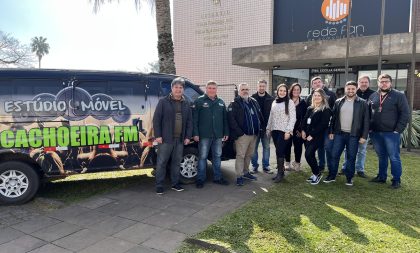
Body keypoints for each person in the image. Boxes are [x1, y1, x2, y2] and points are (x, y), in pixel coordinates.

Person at [152, 77, 192, 194]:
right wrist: (158, 135)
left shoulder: (186, 103)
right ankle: (159, 185)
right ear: (172, 88)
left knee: (176, 162)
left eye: (180, 87)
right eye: (176, 87)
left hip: (180, 139)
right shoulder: (163, 101)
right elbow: (156, 120)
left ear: (183, 89)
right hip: (165, 139)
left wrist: (187, 137)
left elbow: (189, 121)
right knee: (162, 162)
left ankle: (175, 184)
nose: (178, 89)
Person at [369, 73, 410, 189]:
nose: (384, 83)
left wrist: (398, 130)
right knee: (381, 156)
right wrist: (370, 129)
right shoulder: (373, 96)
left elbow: (405, 113)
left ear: (390, 83)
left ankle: (396, 180)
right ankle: (381, 177)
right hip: (376, 132)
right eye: (382, 81)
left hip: (391, 133)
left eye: (386, 81)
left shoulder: (398, 95)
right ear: (378, 83)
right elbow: (368, 113)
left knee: (394, 157)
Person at [325, 81, 370, 186]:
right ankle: (332, 175)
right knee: (334, 155)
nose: (350, 91)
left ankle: (349, 178)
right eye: (348, 89)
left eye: (353, 89)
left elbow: (366, 121)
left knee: (351, 157)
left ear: (356, 89)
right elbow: (333, 118)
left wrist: (364, 136)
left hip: (353, 135)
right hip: (339, 134)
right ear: (345, 89)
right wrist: (331, 131)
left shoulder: (363, 103)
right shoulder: (338, 101)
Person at [193, 80, 230, 188]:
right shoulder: (199, 101)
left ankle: (217, 178)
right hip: (204, 135)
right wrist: (195, 133)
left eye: (214, 88)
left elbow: (225, 119)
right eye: (210, 88)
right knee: (203, 157)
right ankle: (200, 179)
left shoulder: (221, 102)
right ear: (206, 89)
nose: (212, 90)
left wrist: (226, 132)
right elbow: (195, 119)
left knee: (217, 156)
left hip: (218, 135)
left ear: (216, 89)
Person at [228, 83, 263, 186]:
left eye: (247, 89)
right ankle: (239, 176)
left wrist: (260, 128)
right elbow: (231, 120)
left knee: (249, 155)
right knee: (241, 156)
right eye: (243, 89)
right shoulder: (234, 103)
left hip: (254, 135)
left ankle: (246, 172)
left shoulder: (253, 101)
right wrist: (240, 133)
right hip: (242, 136)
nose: (245, 91)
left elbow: (259, 115)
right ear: (239, 91)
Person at [341, 75, 375, 177]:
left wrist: (366, 131)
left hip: (363, 129)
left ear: (369, 83)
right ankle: (345, 167)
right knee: (348, 150)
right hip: (350, 129)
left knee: (362, 150)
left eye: (366, 82)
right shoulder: (352, 92)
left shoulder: (373, 94)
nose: (363, 84)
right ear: (358, 83)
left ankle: (360, 169)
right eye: (361, 82)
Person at [266, 84, 296, 183]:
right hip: (274, 130)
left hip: (284, 131)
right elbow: (271, 115)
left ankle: (280, 173)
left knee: (280, 150)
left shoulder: (290, 102)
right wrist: (268, 128)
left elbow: (293, 118)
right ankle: (281, 172)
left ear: (287, 92)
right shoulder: (274, 102)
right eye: (280, 90)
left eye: (284, 91)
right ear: (277, 91)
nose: (282, 92)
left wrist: (289, 131)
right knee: (278, 151)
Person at [305, 76, 336, 173]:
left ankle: (329, 169)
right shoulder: (310, 97)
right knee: (316, 150)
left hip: (325, 128)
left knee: (326, 147)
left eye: (319, 82)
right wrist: (305, 130)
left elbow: (333, 114)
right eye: (315, 83)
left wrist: (331, 130)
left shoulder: (331, 94)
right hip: (312, 130)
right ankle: (320, 166)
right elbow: (307, 116)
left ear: (322, 83)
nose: (317, 84)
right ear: (312, 85)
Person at [302, 88, 332, 185]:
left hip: (317, 137)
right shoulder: (310, 108)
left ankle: (317, 173)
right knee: (310, 156)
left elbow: (322, 125)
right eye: (315, 95)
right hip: (307, 136)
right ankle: (315, 173)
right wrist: (303, 131)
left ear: (323, 97)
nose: (317, 97)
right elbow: (304, 120)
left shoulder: (326, 110)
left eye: (319, 95)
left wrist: (312, 134)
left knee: (308, 154)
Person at [251, 79, 274, 174]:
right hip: (255, 129)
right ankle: (254, 166)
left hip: (266, 129)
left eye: (263, 86)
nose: (261, 88)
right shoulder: (251, 98)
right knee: (253, 148)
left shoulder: (271, 99)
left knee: (266, 147)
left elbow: (273, 114)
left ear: (266, 87)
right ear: (257, 86)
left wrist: (270, 127)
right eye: (260, 86)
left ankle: (266, 166)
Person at [284, 83, 307, 171]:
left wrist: (301, 129)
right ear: (291, 90)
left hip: (298, 129)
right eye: (294, 89)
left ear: (300, 91)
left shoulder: (303, 102)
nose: (296, 91)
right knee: (287, 145)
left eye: (298, 90)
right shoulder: (286, 100)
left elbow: (304, 117)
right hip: (288, 128)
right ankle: (287, 163)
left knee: (298, 146)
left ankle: (297, 163)